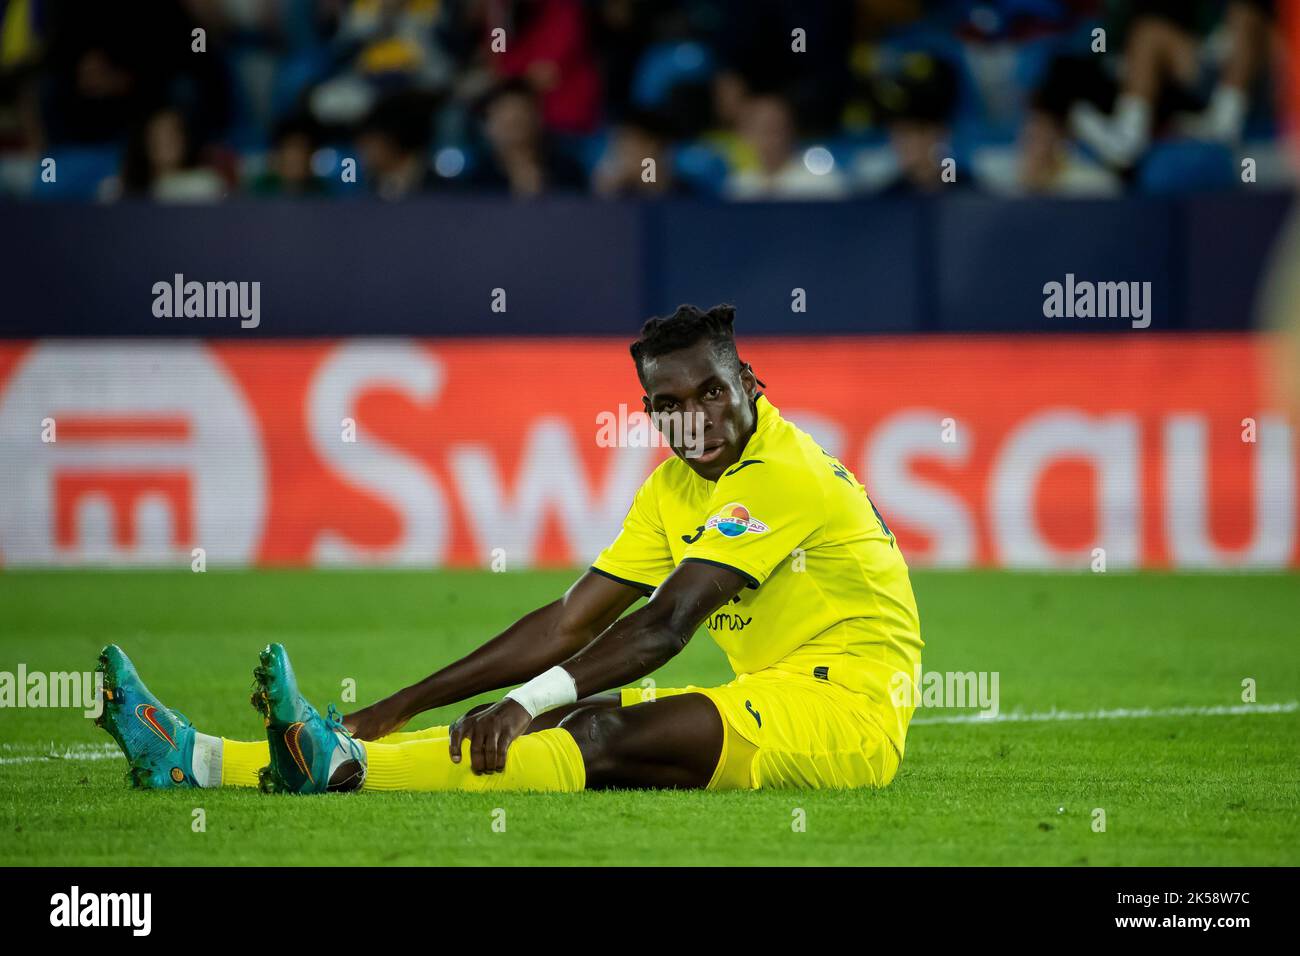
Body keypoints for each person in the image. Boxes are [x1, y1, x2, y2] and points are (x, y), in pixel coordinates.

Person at [96, 304, 923, 794]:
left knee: (585, 736)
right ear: (649, 413)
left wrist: (524, 700)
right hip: (781, 689)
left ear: (749, 384)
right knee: (560, 714)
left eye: (714, 390)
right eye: (671, 404)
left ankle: (347, 774)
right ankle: (201, 759)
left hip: (849, 718)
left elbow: (666, 626)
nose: (697, 416)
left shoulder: (782, 471)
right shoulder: (673, 490)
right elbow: (569, 623)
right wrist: (403, 703)